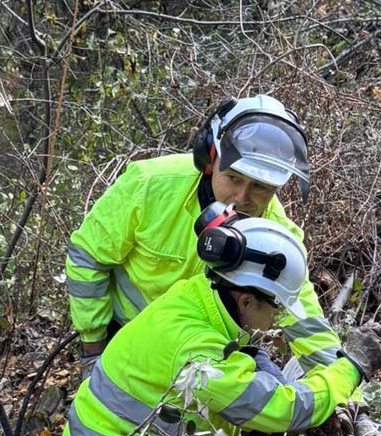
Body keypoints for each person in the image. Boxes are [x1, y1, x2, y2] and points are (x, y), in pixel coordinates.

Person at [57, 209, 381, 436]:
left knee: (262, 367)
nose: (278, 320)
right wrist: (352, 367)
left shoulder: (196, 296)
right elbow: (285, 409)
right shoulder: (199, 351)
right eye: (277, 310)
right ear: (245, 300)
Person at [64, 94, 340, 371]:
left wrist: (346, 388)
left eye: (260, 187)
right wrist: (94, 350)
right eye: (233, 178)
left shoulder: (274, 231)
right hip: (124, 334)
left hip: (205, 351)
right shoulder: (150, 186)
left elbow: (302, 312)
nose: (242, 197)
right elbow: (87, 259)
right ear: (209, 158)